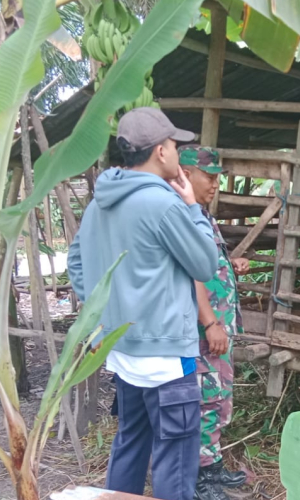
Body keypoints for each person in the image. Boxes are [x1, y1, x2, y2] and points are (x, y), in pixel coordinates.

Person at [67, 108, 218, 500]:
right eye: (172, 144)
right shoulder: (164, 204)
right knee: (174, 464)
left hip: (122, 352)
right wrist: (193, 208)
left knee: (131, 445)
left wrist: (97, 316)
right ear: (159, 152)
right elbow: (205, 264)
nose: (175, 152)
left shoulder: (99, 203)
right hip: (167, 357)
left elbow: (77, 262)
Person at [177, 145, 249, 500]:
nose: (216, 183)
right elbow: (190, 275)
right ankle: (200, 476)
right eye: (210, 176)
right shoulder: (182, 215)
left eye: (219, 176)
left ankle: (212, 463)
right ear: (186, 174)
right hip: (206, 330)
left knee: (218, 398)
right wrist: (210, 323)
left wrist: (228, 264)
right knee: (206, 398)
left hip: (218, 326)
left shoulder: (200, 214)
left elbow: (205, 265)